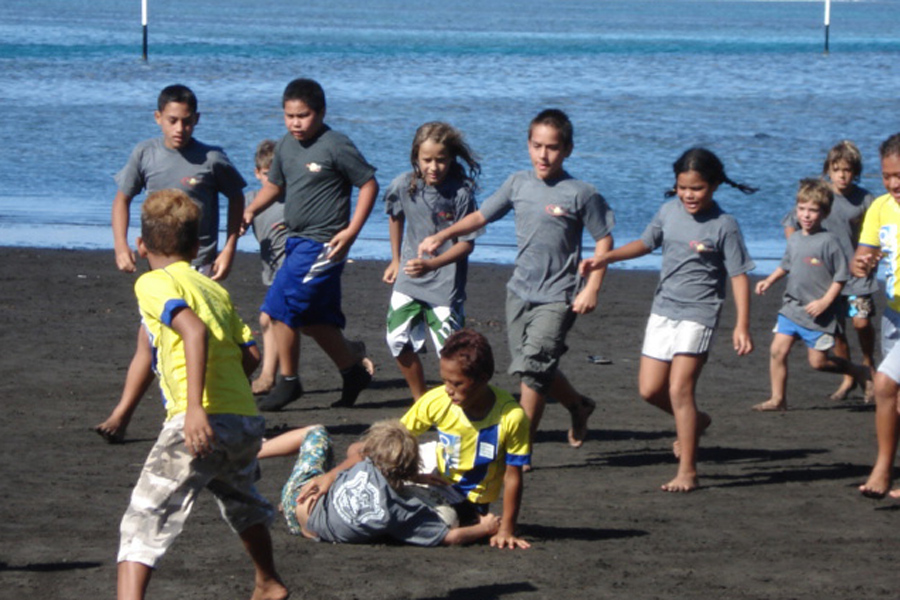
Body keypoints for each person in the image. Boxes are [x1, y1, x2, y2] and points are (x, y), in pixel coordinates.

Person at [116, 189, 286, 600]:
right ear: (195, 248)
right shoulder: (214, 289)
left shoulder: (152, 283)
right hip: (243, 419)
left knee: (142, 520)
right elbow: (250, 355)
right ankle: (268, 582)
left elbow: (192, 330)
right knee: (241, 502)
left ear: (141, 247)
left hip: (198, 419)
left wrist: (194, 408)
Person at [418, 109, 614, 459]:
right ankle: (578, 405)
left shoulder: (581, 193)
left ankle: (519, 453)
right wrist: (443, 234)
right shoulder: (518, 183)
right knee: (530, 364)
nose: (544, 155)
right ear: (528, 145)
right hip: (519, 292)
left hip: (559, 295)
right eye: (537, 146)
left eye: (552, 147)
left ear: (567, 149)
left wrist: (592, 286)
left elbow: (604, 240)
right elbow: (481, 216)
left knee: (534, 370)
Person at [580, 148, 755, 492]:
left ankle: (688, 470)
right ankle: (697, 421)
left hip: (700, 313)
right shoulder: (668, 211)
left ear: (715, 185)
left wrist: (742, 325)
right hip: (664, 310)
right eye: (683, 187)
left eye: (698, 188)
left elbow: (738, 277)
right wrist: (606, 258)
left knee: (680, 389)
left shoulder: (725, 225)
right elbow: (646, 244)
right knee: (649, 390)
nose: (689, 195)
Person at [95, 84, 247, 443]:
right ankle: (123, 415)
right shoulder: (145, 154)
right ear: (158, 118)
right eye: (173, 121)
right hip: (160, 266)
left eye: (188, 122)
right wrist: (121, 245)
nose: (180, 129)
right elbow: (122, 199)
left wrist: (229, 248)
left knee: (187, 337)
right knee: (149, 340)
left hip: (201, 262)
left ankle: (194, 408)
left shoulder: (212, 159)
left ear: (197, 120)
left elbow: (237, 196)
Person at [241, 78, 379, 411]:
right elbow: (274, 186)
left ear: (320, 112)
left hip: (323, 245)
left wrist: (352, 231)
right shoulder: (286, 145)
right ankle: (353, 372)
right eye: (289, 116)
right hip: (295, 240)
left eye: (302, 116)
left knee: (279, 307)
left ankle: (289, 381)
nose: (295, 123)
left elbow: (369, 185)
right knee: (316, 321)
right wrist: (251, 209)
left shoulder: (336, 145)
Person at [259, 421, 501, 545]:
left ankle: (255, 451)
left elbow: (356, 450)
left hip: (300, 498)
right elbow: (451, 538)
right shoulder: (402, 512)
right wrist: (485, 528)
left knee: (317, 432)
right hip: (311, 531)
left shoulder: (365, 464)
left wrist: (333, 474)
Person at [400, 328, 532, 549]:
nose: (448, 390)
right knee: (369, 461)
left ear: (482, 379)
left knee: (433, 526)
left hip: (469, 501)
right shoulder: (436, 400)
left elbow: (512, 476)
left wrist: (507, 529)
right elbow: (390, 441)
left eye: (457, 383)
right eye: (445, 381)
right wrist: (413, 474)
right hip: (435, 475)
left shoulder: (511, 417)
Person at [382, 122, 481, 401]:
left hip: (445, 286)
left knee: (450, 353)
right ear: (416, 157)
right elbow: (395, 214)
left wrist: (433, 264)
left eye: (441, 160)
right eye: (427, 160)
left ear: (451, 159)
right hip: (409, 279)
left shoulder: (460, 193)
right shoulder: (403, 185)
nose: (434, 167)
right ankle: (420, 399)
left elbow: (466, 245)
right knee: (396, 339)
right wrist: (396, 259)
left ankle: (460, 402)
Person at [754, 179, 869, 412]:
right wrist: (769, 280)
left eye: (813, 210)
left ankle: (858, 371)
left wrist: (825, 301)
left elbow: (841, 276)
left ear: (824, 213)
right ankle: (778, 399)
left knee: (818, 362)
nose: (806, 215)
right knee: (777, 350)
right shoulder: (795, 238)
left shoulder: (829, 242)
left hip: (819, 313)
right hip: (792, 307)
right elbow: (786, 265)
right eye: (802, 209)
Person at [782, 141, 877, 402]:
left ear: (855, 171)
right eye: (837, 170)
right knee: (838, 332)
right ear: (828, 170)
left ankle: (869, 365)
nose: (842, 175)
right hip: (827, 278)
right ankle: (850, 377)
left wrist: (872, 258)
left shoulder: (865, 199)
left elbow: (878, 233)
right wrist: (797, 255)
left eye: (847, 170)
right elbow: (791, 223)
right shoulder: (820, 196)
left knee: (861, 321)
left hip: (857, 276)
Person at [852, 133, 900, 498]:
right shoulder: (880, 207)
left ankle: (882, 470)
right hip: (894, 314)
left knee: (884, 383)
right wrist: (864, 262)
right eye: (887, 176)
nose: (894, 183)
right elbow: (864, 256)